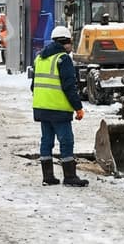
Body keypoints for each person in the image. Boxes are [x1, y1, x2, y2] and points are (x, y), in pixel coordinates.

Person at [31, 26, 88, 187]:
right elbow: (69, 87)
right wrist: (78, 107)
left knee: (46, 141)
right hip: (58, 108)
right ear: (65, 42)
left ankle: (48, 177)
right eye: (70, 42)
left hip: (41, 108)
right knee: (66, 141)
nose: (71, 46)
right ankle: (70, 176)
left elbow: (33, 86)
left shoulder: (40, 58)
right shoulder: (63, 59)